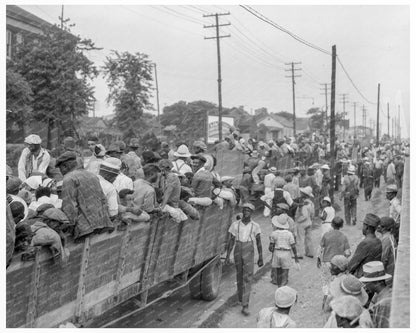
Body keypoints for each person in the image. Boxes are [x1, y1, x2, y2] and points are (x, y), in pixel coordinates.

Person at [56, 151, 114, 240]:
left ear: (65, 166)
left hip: (86, 228)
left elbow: (69, 206)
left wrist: (69, 226)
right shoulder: (92, 175)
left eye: (60, 169)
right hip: (102, 224)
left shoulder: (69, 178)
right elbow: (103, 199)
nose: (61, 172)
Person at [225, 203, 263, 316]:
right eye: (244, 210)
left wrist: (261, 256)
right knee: (239, 274)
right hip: (238, 247)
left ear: (252, 213)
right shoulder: (235, 225)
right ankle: (240, 298)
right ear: (242, 211)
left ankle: (245, 305)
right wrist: (227, 256)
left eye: (248, 210)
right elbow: (231, 240)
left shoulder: (255, 226)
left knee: (248, 276)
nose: (246, 212)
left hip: (249, 248)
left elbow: (259, 242)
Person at [359, 261, 392, 328]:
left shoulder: (384, 302)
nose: (365, 286)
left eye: (367, 283)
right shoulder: (379, 294)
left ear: (376, 283)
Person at [348, 214, 382, 278]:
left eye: (363, 225)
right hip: (374, 274)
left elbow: (352, 266)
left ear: (366, 227)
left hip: (364, 277)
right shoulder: (378, 241)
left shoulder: (365, 243)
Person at [269, 215, 299, 286]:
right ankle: (283, 283)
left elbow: (270, 248)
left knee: (277, 269)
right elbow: (293, 246)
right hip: (286, 253)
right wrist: (295, 256)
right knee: (285, 270)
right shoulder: (289, 234)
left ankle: (276, 281)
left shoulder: (274, 233)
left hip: (277, 252)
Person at [294, 186, 315, 259]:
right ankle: (310, 252)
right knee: (308, 238)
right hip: (309, 221)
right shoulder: (311, 203)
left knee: (300, 238)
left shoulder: (304, 204)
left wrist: (298, 220)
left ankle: (299, 253)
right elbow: (312, 213)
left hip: (302, 222)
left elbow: (304, 215)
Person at [378, 217, 396, 285]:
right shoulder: (389, 237)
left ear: (383, 228)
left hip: (389, 275)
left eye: (380, 225)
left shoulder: (386, 239)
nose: (378, 226)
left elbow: (383, 259)